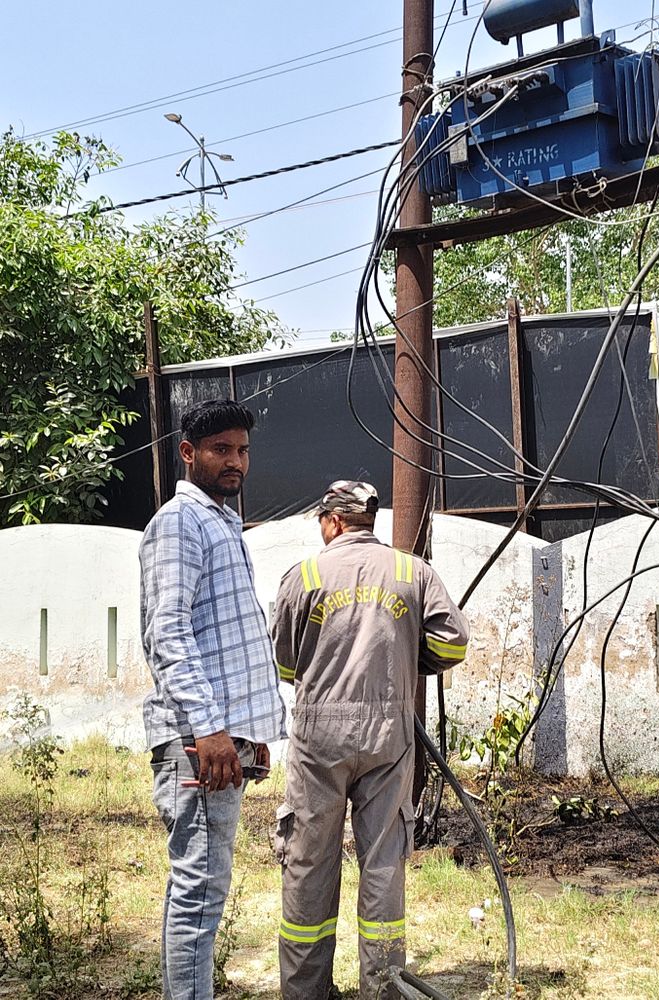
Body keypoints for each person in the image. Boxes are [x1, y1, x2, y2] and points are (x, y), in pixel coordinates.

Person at [271, 481, 469, 1000]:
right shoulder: (412, 572)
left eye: (321, 520)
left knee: (309, 861)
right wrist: (409, 662)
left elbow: (286, 663)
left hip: (319, 737)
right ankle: (382, 988)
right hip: (389, 730)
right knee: (382, 860)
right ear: (369, 520)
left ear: (334, 521)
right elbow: (453, 645)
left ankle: (305, 991)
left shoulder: (305, 575)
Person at [139, 398, 286, 1000]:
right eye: (222, 450)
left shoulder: (221, 521)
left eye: (243, 451)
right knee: (199, 890)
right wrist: (212, 732)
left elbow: (222, 636)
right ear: (188, 453)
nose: (236, 462)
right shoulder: (180, 522)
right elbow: (167, 633)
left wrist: (248, 736)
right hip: (199, 745)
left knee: (199, 889)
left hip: (222, 742)